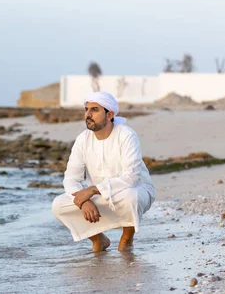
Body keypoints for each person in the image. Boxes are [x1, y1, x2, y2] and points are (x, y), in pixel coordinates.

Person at [51, 91, 155, 252]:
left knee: (130, 197)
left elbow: (132, 177)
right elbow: (71, 179)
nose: (88, 114)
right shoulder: (82, 139)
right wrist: (84, 201)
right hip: (99, 195)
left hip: (135, 190)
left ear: (109, 114)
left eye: (95, 109)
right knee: (58, 205)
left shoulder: (126, 135)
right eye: (86, 109)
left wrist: (92, 190)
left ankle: (127, 239)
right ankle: (99, 240)